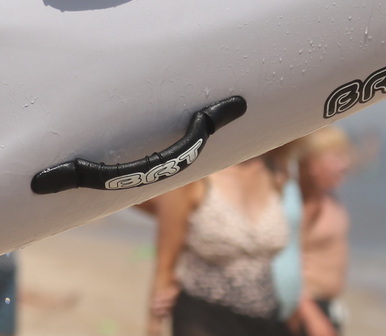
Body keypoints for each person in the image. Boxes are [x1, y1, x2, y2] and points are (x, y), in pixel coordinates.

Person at [149, 156, 291, 336]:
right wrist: (154, 326)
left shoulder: (276, 171)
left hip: (267, 317)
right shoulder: (193, 175)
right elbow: (165, 262)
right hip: (204, 314)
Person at [293, 127, 352, 336]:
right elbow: (285, 261)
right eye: (336, 157)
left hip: (327, 305)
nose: (345, 164)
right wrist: (310, 315)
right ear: (311, 164)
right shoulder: (307, 204)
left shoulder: (327, 197)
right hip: (307, 309)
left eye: (345, 155)